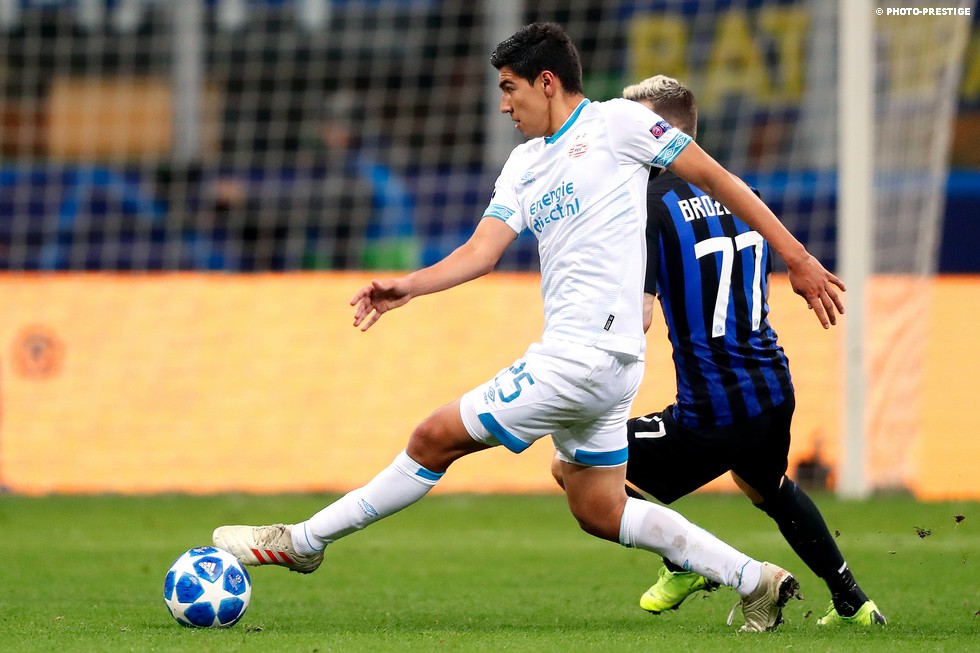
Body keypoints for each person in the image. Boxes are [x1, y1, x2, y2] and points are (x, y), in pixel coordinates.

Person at [212, 23, 844, 632]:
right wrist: (410, 285)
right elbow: (481, 252)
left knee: (432, 438)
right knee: (598, 508)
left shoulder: (618, 123)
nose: (504, 106)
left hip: (583, 358)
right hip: (602, 362)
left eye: (509, 88)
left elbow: (717, 178)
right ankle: (753, 579)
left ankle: (303, 541)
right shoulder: (523, 165)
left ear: (547, 82)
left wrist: (797, 257)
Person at [554, 74, 883, 627]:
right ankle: (854, 601)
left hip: (712, 411)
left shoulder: (649, 206)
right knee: (765, 485)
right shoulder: (742, 193)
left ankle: (684, 561)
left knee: (573, 465)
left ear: (659, 133)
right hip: (773, 390)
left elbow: (638, 316)